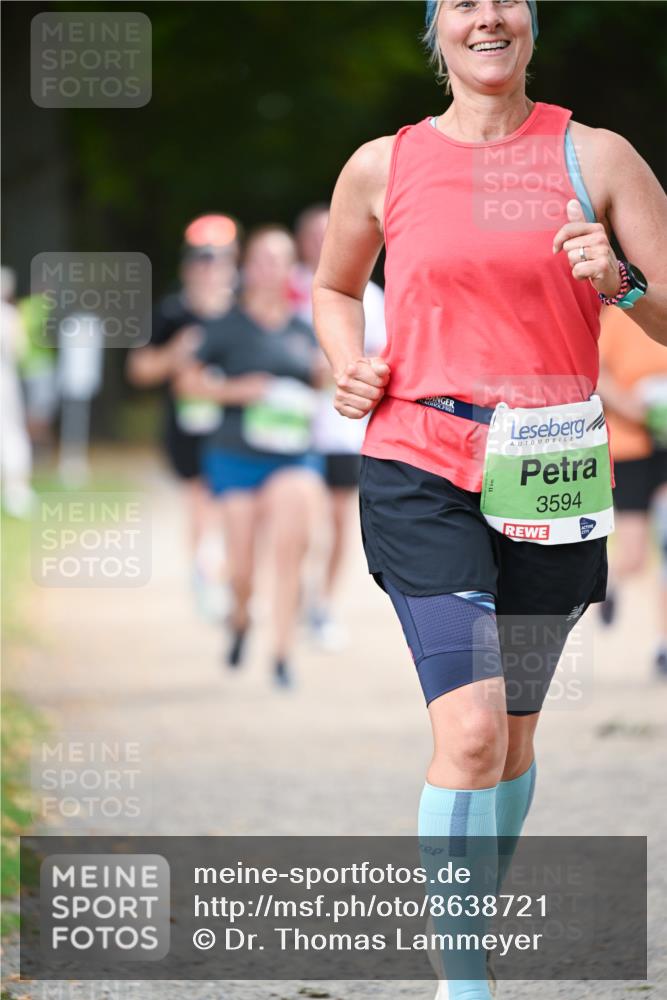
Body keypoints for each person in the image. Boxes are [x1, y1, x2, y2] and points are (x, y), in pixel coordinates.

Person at [312, 2, 667, 997]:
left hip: (550, 464)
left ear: (531, 23)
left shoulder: (594, 156)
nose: (487, 17)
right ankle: (462, 981)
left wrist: (623, 282)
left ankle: (473, 930)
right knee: (467, 731)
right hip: (419, 455)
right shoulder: (383, 165)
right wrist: (349, 364)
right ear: (438, 30)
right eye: (463, 2)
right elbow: (337, 289)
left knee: (511, 730)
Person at [177, 226, 325, 688]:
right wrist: (237, 390)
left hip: (291, 458)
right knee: (241, 569)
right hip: (234, 456)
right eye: (259, 259)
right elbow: (187, 382)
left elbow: (322, 383)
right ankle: (241, 617)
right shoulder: (225, 326)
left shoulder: (306, 327)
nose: (267, 268)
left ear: (289, 269)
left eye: (277, 259)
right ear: (247, 267)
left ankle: (282, 653)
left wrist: (317, 382)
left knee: (290, 549)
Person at [127, 215, 239, 618]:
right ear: (187, 265)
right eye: (201, 259)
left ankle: (229, 575)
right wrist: (177, 353)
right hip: (187, 426)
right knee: (199, 500)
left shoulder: (241, 314)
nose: (209, 268)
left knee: (233, 504)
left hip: (235, 424)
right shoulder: (171, 312)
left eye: (219, 259)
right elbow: (139, 370)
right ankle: (205, 575)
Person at [292, 204, 386, 650]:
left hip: (342, 430)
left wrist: (336, 367)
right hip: (291, 428)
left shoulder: (370, 296)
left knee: (336, 522)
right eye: (311, 235)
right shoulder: (286, 288)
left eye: (325, 234)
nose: (318, 243)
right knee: (301, 521)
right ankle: (291, 594)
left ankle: (323, 604)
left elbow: (382, 356)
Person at [597, 306, 667, 675]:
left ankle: (663, 645)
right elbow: (594, 368)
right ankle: (607, 584)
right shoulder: (624, 313)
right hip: (631, 443)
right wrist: (630, 406)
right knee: (635, 555)